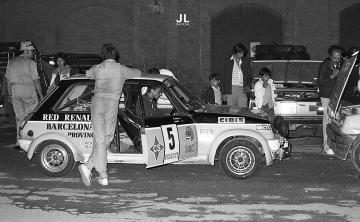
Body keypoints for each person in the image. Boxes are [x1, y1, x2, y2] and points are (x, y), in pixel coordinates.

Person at [78, 43, 141, 186]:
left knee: (102, 139)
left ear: (103, 56)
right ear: (115, 55)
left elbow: (88, 74)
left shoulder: (98, 68)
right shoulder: (121, 69)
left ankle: (87, 167)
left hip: (98, 104)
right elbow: (138, 73)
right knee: (105, 138)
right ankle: (103, 174)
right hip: (111, 106)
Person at [5, 41, 43, 150]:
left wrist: (10, 94)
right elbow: (36, 80)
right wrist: (41, 95)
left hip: (14, 90)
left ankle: (18, 143)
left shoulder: (11, 62)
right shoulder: (31, 62)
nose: (33, 54)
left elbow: (7, 79)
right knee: (30, 116)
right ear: (26, 51)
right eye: (32, 51)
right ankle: (30, 143)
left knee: (19, 118)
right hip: (28, 89)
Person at [317, 45, 344, 155]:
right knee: (327, 120)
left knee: (337, 120)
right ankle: (326, 146)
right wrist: (332, 76)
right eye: (334, 58)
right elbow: (320, 82)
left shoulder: (341, 64)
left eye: (339, 58)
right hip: (326, 96)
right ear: (330, 56)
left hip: (337, 96)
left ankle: (336, 145)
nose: (337, 60)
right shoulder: (324, 66)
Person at [222, 43, 252, 107]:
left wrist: (248, 86)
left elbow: (249, 77)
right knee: (231, 111)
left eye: (243, 53)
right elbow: (223, 77)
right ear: (235, 52)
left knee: (243, 111)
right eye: (240, 53)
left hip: (242, 89)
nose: (242, 55)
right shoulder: (227, 61)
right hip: (230, 89)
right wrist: (224, 92)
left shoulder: (246, 62)